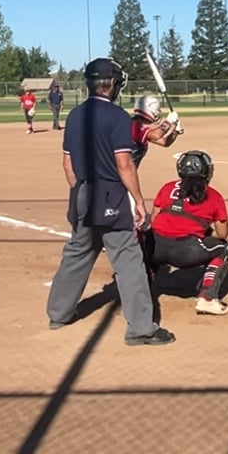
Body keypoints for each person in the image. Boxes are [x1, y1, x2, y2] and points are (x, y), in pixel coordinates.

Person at [46, 58, 174, 346]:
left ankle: (58, 313)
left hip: (81, 191)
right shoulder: (117, 117)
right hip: (111, 193)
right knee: (128, 258)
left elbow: (68, 163)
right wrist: (138, 201)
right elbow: (124, 164)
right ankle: (141, 328)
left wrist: (79, 192)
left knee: (78, 251)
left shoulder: (75, 115)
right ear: (113, 84)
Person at [147, 149, 228, 316]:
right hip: (187, 251)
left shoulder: (168, 187)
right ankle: (207, 299)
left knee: (152, 241)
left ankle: (142, 289)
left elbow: (154, 219)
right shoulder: (213, 196)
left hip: (156, 248)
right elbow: (222, 234)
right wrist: (205, 233)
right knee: (223, 249)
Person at [130, 94, 182, 168]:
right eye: (157, 110)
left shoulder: (138, 126)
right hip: (119, 172)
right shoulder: (134, 126)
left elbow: (164, 143)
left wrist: (175, 129)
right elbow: (156, 135)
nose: (158, 112)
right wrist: (168, 122)